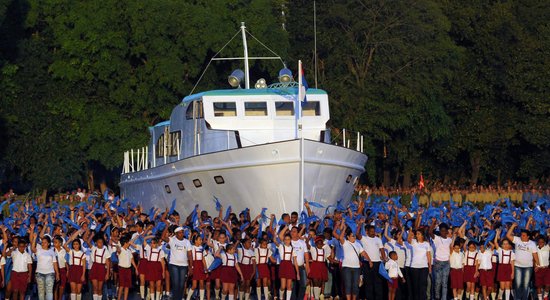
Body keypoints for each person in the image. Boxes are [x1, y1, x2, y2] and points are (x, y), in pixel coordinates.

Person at [337, 220, 372, 300]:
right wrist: (344, 229)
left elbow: (363, 253)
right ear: (348, 237)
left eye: (354, 236)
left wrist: (369, 260)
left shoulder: (358, 244)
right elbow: (341, 237)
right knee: (348, 285)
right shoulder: (345, 243)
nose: (354, 237)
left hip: (356, 267)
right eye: (352, 236)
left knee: (355, 285)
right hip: (346, 267)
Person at [506, 223, 540, 300]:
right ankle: (517, 298)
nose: (522, 236)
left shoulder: (532, 244)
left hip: (528, 267)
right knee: (517, 284)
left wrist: (538, 265)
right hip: (517, 266)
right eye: (521, 235)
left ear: (528, 236)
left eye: (524, 235)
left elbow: (535, 255)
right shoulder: (517, 240)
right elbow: (508, 235)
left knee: (525, 285)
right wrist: (512, 226)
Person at [162, 225, 192, 300]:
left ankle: (178, 298)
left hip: (184, 265)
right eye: (180, 233)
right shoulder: (172, 240)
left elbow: (190, 255)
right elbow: (162, 237)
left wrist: (191, 267)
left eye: (182, 232)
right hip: (173, 265)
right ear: (176, 234)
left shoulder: (187, 242)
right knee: (176, 283)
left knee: (181, 285)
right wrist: (166, 227)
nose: (182, 234)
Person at [30, 229, 60, 300]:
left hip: (50, 273)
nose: (43, 243)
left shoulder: (52, 251)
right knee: (41, 292)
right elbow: (32, 249)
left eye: (45, 242)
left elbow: (54, 263)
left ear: (49, 243)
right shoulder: (39, 250)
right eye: (42, 242)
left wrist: (57, 273)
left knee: (49, 292)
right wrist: (34, 238)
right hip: (39, 273)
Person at [358, 224, 385, 300]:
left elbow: (382, 250)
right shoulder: (364, 238)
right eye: (371, 231)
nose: (373, 233)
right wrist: (360, 224)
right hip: (367, 263)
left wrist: (384, 258)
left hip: (377, 263)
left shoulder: (378, 239)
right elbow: (357, 234)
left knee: (378, 282)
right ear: (367, 232)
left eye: (374, 231)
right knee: (368, 282)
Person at [274, 226, 299, 300]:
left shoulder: (292, 249)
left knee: (289, 286)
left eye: (288, 239)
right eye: (285, 239)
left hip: (290, 266)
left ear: (290, 240)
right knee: (283, 286)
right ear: (283, 240)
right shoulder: (281, 246)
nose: (287, 241)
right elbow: (276, 239)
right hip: (283, 265)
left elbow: (295, 261)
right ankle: (281, 296)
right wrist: (285, 227)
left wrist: (297, 273)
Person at [429, 221, 452, 300]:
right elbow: (430, 232)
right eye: (441, 230)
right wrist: (434, 222)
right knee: (438, 282)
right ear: (439, 231)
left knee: (445, 283)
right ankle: (437, 297)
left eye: (444, 230)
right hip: (438, 262)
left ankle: (444, 298)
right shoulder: (437, 238)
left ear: (447, 231)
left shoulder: (450, 240)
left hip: (446, 263)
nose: (443, 232)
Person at [407, 228, 432, 300]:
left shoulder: (426, 244)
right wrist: (411, 231)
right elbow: (409, 239)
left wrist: (429, 266)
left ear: (422, 235)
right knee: (415, 286)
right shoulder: (414, 242)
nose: (417, 235)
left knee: (423, 285)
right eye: (416, 234)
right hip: (414, 267)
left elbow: (428, 255)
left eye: (419, 234)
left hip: (424, 267)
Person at [64, 233, 86, 300]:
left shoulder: (82, 254)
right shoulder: (71, 251)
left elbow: (84, 265)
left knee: (78, 290)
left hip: (80, 271)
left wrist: (83, 275)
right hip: (72, 270)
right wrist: (70, 240)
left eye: (77, 244)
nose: (75, 246)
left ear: (79, 245)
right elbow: (64, 245)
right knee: (73, 290)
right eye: (74, 244)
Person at [309, 235, 331, 300]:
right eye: (318, 243)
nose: (320, 245)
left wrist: (336, 261)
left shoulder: (324, 250)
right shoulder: (313, 249)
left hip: (322, 266)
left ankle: (318, 296)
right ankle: (315, 297)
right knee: (315, 281)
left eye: (321, 244)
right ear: (316, 244)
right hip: (315, 266)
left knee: (320, 282)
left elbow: (329, 258)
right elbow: (307, 244)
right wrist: (308, 239)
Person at [89, 236, 111, 300]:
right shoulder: (94, 248)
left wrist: (107, 273)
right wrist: (92, 235)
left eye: (101, 242)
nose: (100, 244)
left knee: (100, 288)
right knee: (95, 288)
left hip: (102, 268)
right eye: (99, 242)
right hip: (94, 267)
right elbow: (87, 241)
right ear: (96, 243)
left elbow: (108, 263)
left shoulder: (105, 251)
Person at [495, 231, 515, 300]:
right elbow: (495, 243)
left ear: (509, 245)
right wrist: (497, 234)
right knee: (502, 287)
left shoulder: (511, 252)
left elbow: (512, 262)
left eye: (507, 244)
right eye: (504, 244)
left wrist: (513, 272)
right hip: (501, 269)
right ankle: (499, 297)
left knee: (508, 286)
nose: (506, 245)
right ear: (502, 245)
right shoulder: (500, 250)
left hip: (508, 268)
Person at [116, 235, 137, 300]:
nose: (129, 244)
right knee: (121, 285)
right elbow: (118, 250)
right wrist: (118, 244)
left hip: (128, 269)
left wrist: (136, 268)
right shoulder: (121, 250)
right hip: (122, 269)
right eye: (128, 242)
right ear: (125, 243)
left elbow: (132, 260)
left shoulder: (129, 251)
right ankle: (118, 298)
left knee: (127, 286)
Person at [188, 234, 208, 300]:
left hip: (200, 266)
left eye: (201, 239)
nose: (201, 241)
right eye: (199, 239)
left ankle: (201, 298)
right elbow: (189, 258)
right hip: (195, 265)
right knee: (194, 285)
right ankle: (188, 298)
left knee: (202, 284)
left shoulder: (201, 248)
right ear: (195, 241)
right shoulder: (192, 247)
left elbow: (203, 258)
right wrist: (191, 267)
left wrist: (205, 267)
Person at [535, 236, 549, 300]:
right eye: (539, 242)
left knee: (548, 285)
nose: (541, 243)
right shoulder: (535, 249)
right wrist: (535, 267)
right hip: (538, 269)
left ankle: (545, 296)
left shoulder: (547, 247)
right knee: (539, 286)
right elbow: (533, 259)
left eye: (542, 242)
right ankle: (540, 299)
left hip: (546, 269)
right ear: (537, 242)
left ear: (544, 242)